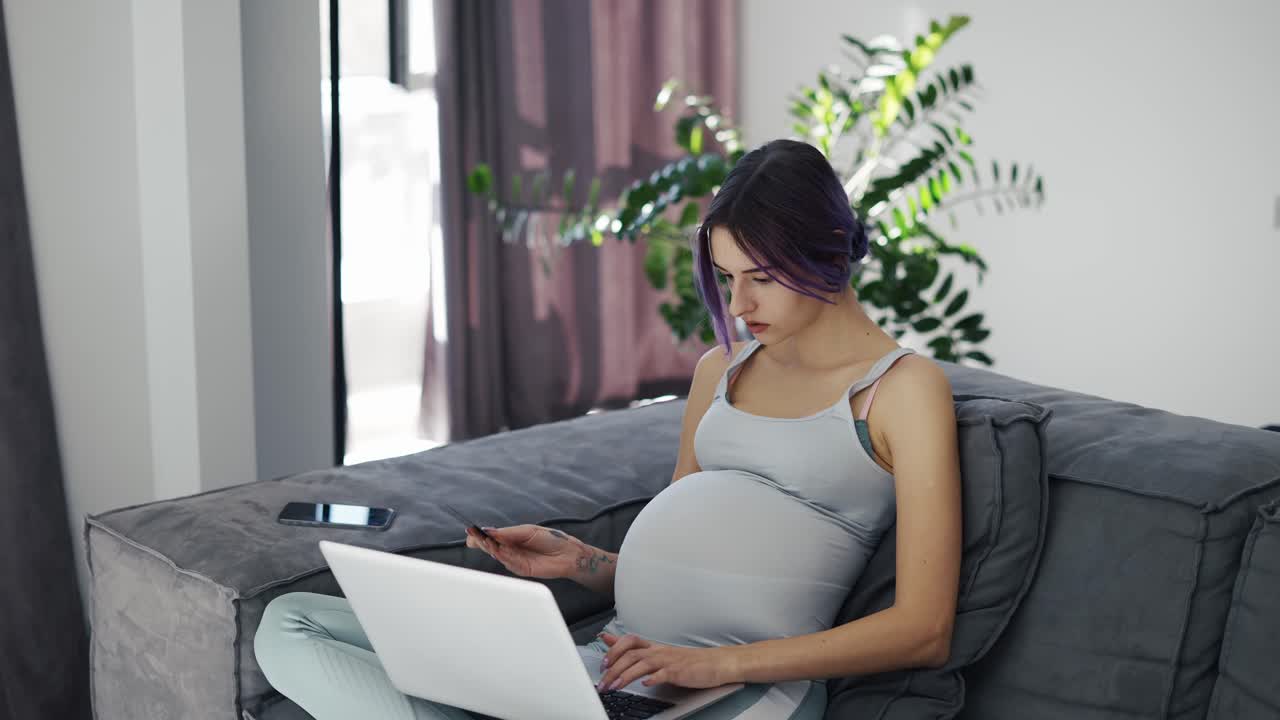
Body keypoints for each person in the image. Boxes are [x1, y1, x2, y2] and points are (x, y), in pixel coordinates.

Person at [254, 138, 963, 719]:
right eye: (725, 277)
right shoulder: (723, 371)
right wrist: (581, 563)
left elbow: (923, 629)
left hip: (736, 692)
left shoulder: (901, 392)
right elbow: (692, 560)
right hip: (613, 668)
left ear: (828, 253)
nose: (740, 303)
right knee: (290, 626)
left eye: (763, 278)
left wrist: (713, 663)